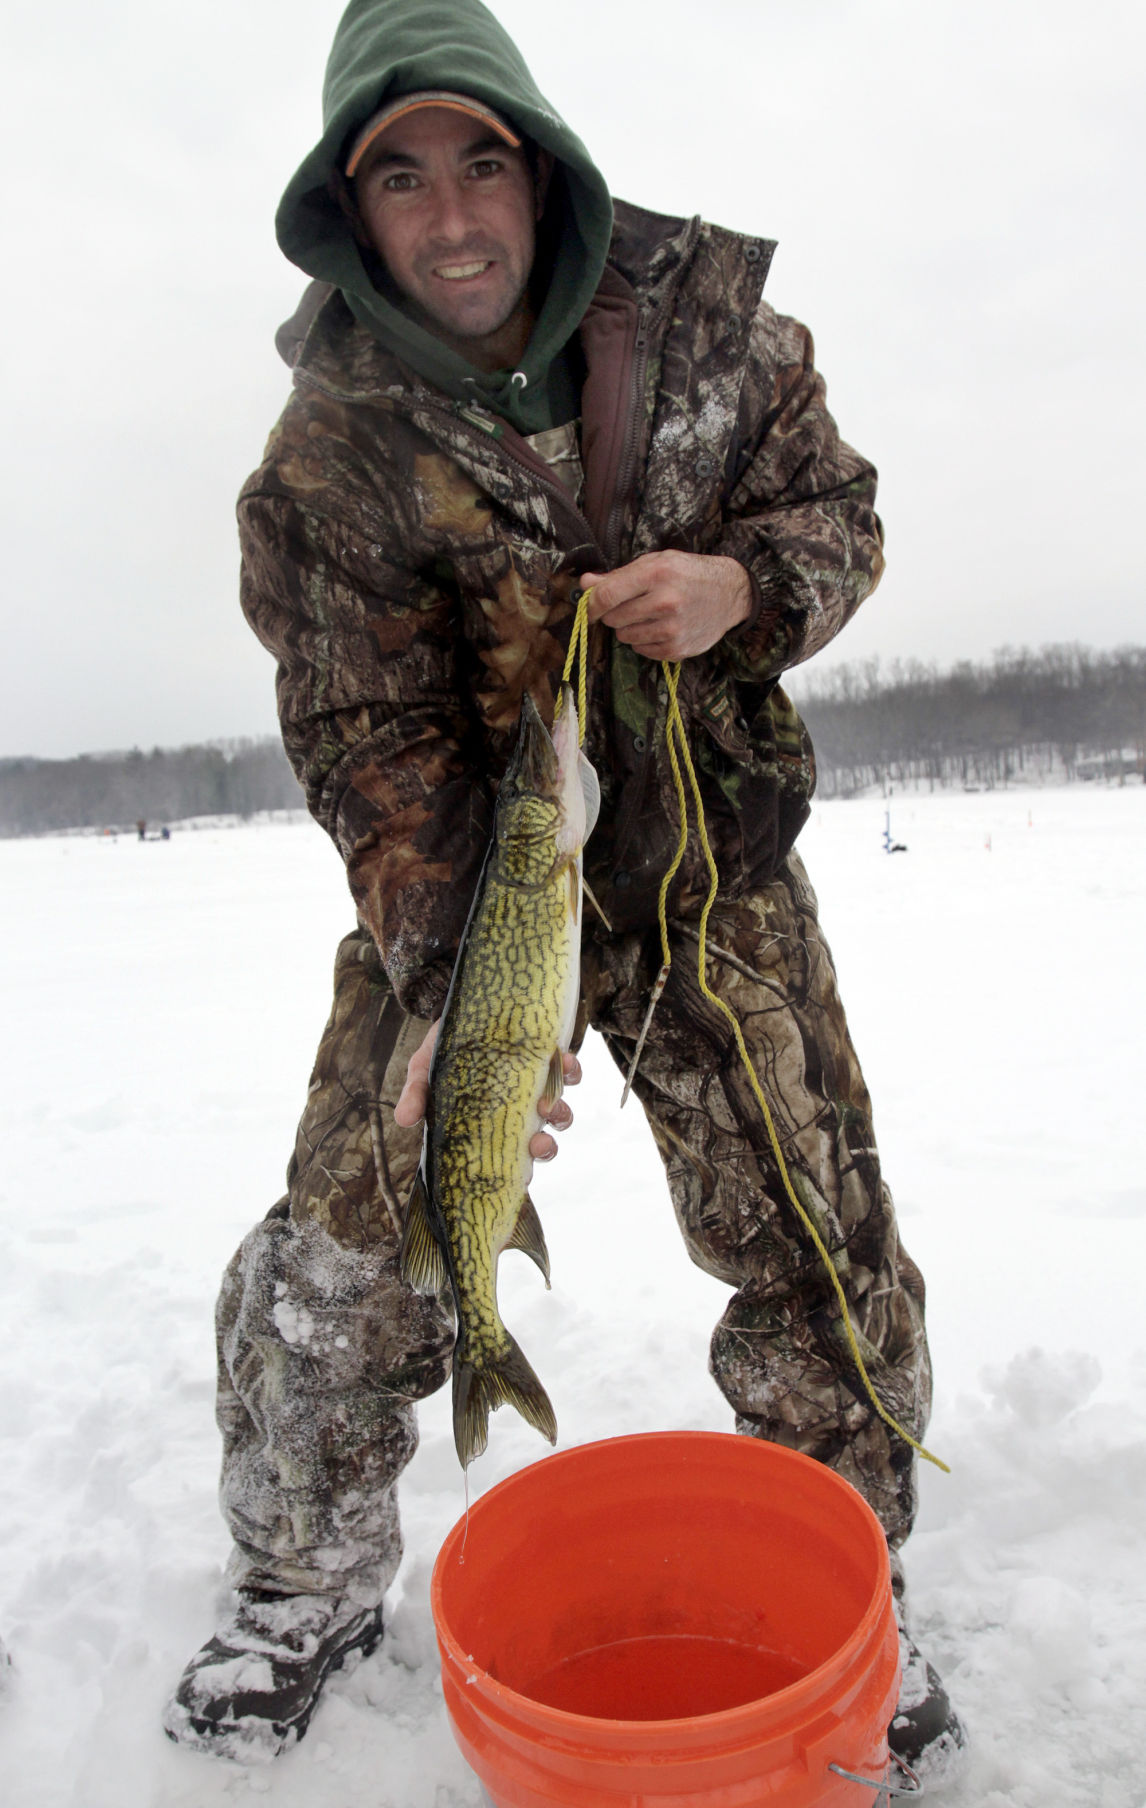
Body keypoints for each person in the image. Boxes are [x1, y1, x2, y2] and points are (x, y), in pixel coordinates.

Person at [164, 0, 965, 1779]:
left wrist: (745, 586)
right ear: (348, 210)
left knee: (808, 1219)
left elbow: (840, 510)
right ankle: (298, 1579)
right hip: (473, 881)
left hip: (703, 856)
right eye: (398, 177)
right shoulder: (326, 456)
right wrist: (472, 998)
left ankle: (852, 1568)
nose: (449, 214)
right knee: (362, 1216)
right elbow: (361, 729)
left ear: (539, 168)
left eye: (478, 161)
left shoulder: (711, 328)